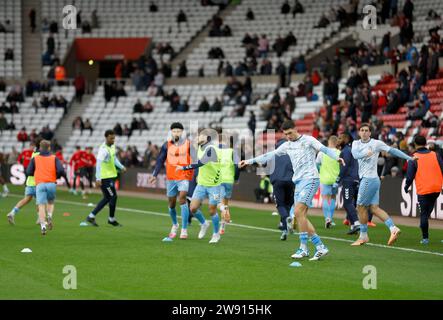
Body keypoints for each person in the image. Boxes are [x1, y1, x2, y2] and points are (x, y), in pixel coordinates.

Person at [240, 120, 346, 261]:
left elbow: (324, 149)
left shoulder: (308, 140)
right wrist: (248, 161)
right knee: (301, 216)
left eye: (290, 133)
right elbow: (269, 155)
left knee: (297, 212)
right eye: (285, 134)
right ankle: (315, 247)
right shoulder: (286, 145)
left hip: (311, 179)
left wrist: (337, 157)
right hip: (298, 181)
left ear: (296, 129)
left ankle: (308, 248)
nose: (288, 136)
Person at [351, 123, 415, 246]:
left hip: (369, 180)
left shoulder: (376, 143)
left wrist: (409, 158)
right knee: (374, 208)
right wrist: (366, 154)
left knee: (360, 207)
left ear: (370, 133)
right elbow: (355, 155)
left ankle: (363, 236)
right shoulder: (356, 143)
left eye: (366, 130)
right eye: (362, 130)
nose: (364, 132)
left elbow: (392, 150)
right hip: (373, 180)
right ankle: (393, 228)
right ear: (359, 132)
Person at [177, 128, 222, 244]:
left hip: (214, 185)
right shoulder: (200, 148)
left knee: (212, 210)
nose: (197, 138)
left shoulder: (211, 149)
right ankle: (204, 223)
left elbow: (200, 163)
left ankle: (216, 234)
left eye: (199, 136)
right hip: (201, 184)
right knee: (192, 208)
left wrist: (183, 167)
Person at [149, 122, 193, 239]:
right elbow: (160, 160)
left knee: (183, 199)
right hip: (171, 178)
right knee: (171, 203)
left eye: (178, 131)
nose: (176, 133)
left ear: (182, 132)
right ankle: (175, 224)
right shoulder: (166, 145)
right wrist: (154, 175)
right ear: (171, 132)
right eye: (174, 131)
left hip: (183, 176)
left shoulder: (189, 145)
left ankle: (184, 229)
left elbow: (196, 161)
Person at [404, 135, 443, 244]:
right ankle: (425, 229)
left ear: (415, 144)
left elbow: (410, 176)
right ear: (425, 143)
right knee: (427, 212)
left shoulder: (414, 157)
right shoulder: (435, 154)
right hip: (436, 188)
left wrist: (406, 187)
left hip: (424, 189)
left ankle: (425, 238)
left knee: (424, 214)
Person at [84, 130, 127, 227]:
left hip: (110, 176)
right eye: (111, 138)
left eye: (114, 138)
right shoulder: (103, 150)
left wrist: (121, 166)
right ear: (106, 137)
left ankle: (91, 216)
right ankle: (111, 219)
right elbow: (98, 164)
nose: (113, 140)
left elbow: (114, 158)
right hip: (104, 178)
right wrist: (98, 178)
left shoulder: (112, 147)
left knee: (108, 197)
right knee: (112, 197)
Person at [26, 140, 65, 235]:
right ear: (49, 148)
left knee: (41, 205)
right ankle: (50, 215)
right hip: (51, 183)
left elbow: (28, 171)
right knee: (50, 202)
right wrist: (57, 176)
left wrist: (36, 173)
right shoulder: (54, 158)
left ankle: (43, 226)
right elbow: (60, 170)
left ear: (40, 148)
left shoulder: (35, 158)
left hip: (40, 184)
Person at [7, 139, 42, 225]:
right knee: (39, 200)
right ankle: (40, 218)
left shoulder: (34, 154)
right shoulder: (41, 155)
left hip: (29, 181)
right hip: (37, 182)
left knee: (27, 199)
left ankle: (12, 213)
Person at [269, 139, 295, 240]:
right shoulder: (292, 155)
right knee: (288, 205)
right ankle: (284, 230)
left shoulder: (273, 155)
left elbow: (266, 166)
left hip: (278, 182)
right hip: (290, 182)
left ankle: (285, 219)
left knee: (280, 205)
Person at [336, 133, 360, 235]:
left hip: (348, 180)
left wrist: (338, 178)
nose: (338, 140)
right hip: (355, 179)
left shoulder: (346, 151)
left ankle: (357, 223)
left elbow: (344, 166)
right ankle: (353, 226)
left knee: (347, 203)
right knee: (351, 203)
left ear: (345, 139)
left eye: (340, 138)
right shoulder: (351, 150)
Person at [316, 135, 341, 228]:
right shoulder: (339, 153)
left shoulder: (322, 153)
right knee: (333, 197)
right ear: (336, 143)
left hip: (325, 179)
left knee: (325, 198)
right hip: (336, 179)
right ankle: (331, 218)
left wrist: (320, 171)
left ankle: (327, 218)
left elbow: (317, 164)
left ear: (329, 142)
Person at [218, 133, 240, 235]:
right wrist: (236, 178)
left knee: (220, 203)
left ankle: (223, 222)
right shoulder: (232, 152)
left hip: (218, 179)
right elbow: (237, 166)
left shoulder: (215, 151)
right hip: (229, 180)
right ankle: (223, 224)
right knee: (225, 202)